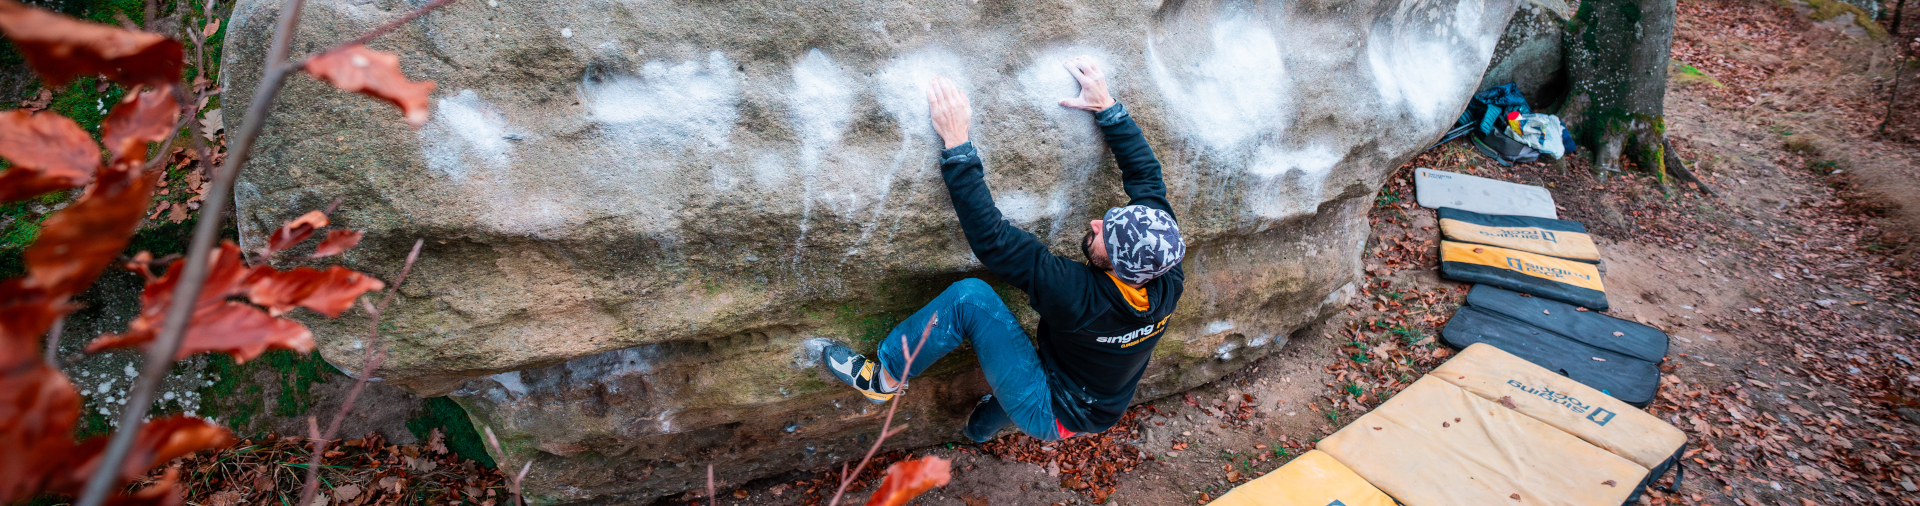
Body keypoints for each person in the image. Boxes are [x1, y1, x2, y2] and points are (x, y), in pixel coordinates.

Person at [821, 56, 1185, 442]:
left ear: (1118, 270)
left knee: (970, 299)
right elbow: (1147, 178)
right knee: (1011, 395)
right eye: (1110, 219)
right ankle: (978, 432)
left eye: (1104, 238)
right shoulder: (1164, 261)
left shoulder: (1079, 296)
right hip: (1102, 400)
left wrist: (957, 145)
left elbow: (992, 240)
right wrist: (1107, 107)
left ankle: (885, 378)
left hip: (1053, 409)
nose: (1096, 224)